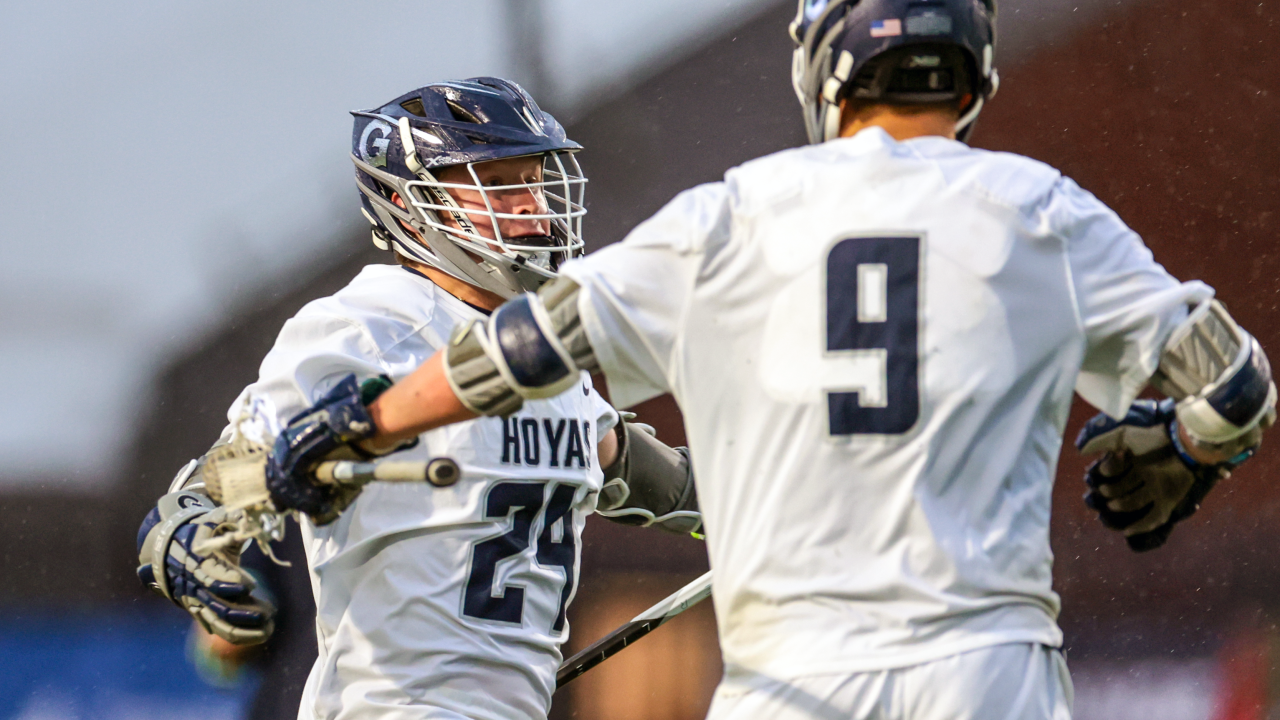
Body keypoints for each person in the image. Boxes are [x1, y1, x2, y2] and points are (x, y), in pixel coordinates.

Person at [257, 1, 1276, 718]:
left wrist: (370, 419)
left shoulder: (732, 214)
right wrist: (1189, 448)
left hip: (794, 676)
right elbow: (1235, 385)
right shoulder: (1043, 211)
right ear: (973, 68)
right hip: (987, 667)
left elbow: (524, 347)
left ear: (823, 63)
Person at [135, 78, 700, 720]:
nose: (533, 207)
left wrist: (787, 502)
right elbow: (244, 464)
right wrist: (198, 522)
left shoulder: (545, 352)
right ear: (411, 206)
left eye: (535, 181)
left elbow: (656, 479)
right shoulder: (373, 323)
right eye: (500, 183)